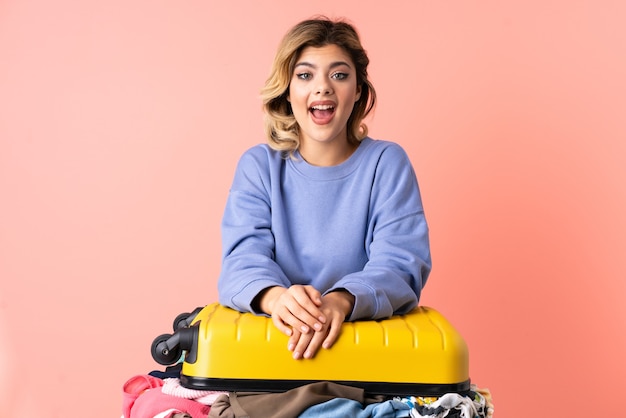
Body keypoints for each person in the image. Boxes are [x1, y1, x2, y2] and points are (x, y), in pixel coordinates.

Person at [217, 16, 431, 361]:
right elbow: (241, 261)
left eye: (340, 74)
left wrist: (341, 300)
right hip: (272, 349)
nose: (323, 87)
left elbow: (401, 263)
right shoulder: (258, 166)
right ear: (288, 90)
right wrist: (279, 299)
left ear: (358, 90)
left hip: (365, 352)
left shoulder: (386, 163)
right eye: (305, 75)